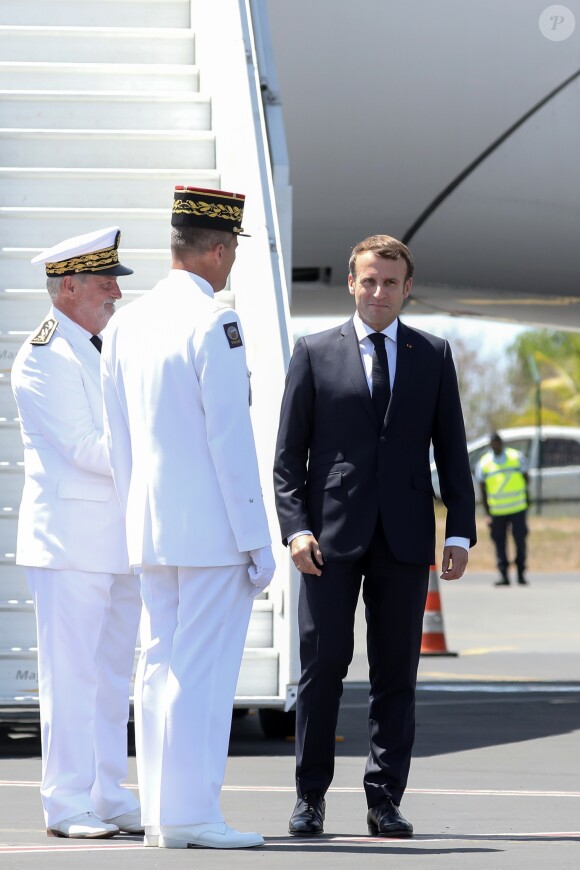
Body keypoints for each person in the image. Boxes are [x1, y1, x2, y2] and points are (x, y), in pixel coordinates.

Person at [273, 234, 476, 839]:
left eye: (390, 282)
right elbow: (288, 459)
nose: (378, 291)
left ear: (407, 288)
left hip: (407, 538)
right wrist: (296, 529)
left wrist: (460, 532)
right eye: (369, 280)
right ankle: (310, 797)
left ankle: (385, 798)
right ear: (351, 284)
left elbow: (453, 451)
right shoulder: (312, 352)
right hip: (328, 541)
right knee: (323, 667)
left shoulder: (432, 354)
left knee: (396, 674)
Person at [101, 185, 275, 851]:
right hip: (210, 535)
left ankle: (163, 816)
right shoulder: (214, 323)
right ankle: (192, 813)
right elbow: (230, 443)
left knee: (158, 669)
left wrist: (131, 518)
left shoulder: (126, 325)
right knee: (200, 676)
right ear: (220, 248)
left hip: (150, 528)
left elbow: (118, 441)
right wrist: (255, 539)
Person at [11, 227, 143, 839]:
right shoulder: (42, 355)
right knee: (70, 677)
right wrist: (163, 445)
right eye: (104, 281)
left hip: (116, 538)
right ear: (68, 287)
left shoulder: (101, 343)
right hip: (68, 543)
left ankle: (108, 792)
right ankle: (66, 803)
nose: (116, 291)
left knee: (113, 673)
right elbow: (85, 447)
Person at [475, 433, 529, 586]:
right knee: (499, 543)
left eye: (498, 442)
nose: (496, 445)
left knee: (520, 541)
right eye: (493, 443)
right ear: (490, 444)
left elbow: (527, 478)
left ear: (502, 443)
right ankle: (504, 575)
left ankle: (520, 573)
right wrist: (487, 514)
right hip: (497, 511)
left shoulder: (515, 457)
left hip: (517, 507)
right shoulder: (484, 463)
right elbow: (482, 491)